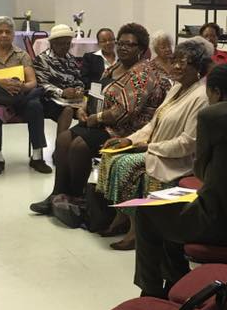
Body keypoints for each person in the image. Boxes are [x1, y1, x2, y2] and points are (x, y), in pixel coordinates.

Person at [133, 64, 227, 297]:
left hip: (217, 221)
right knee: (172, 217)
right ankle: (176, 280)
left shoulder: (211, 116)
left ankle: (151, 291)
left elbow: (199, 170)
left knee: (147, 213)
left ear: (216, 91)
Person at [30, 23, 168, 212]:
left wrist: (97, 118)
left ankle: (76, 198)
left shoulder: (143, 74)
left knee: (79, 146)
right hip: (102, 121)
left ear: (142, 49)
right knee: (63, 139)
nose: (123, 47)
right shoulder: (115, 66)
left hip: (127, 128)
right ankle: (57, 194)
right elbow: (97, 91)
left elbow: (125, 111)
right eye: (120, 43)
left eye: (130, 44)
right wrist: (84, 107)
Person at [92, 37, 212, 250]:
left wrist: (150, 147)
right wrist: (128, 139)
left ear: (197, 68)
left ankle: (135, 229)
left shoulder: (201, 97)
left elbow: (188, 143)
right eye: (174, 60)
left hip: (176, 158)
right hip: (156, 148)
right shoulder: (176, 88)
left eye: (183, 62)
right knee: (111, 154)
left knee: (125, 165)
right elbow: (152, 124)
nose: (176, 66)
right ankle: (121, 216)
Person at [0, 16, 51, 175]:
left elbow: (32, 82)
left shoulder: (22, 55)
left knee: (35, 106)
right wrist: (3, 83)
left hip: (21, 98)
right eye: (0, 31)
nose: (4, 35)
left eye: (8, 32)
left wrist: (20, 86)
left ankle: (37, 157)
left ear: (13, 34)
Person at [32, 24, 84, 134]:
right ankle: (60, 142)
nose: (65, 46)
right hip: (50, 99)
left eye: (68, 43)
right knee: (67, 110)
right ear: (52, 43)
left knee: (89, 108)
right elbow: (41, 84)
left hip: (72, 99)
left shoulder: (71, 58)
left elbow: (78, 79)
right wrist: (61, 92)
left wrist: (79, 90)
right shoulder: (42, 59)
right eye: (61, 43)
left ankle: (80, 140)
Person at [80, 27, 116, 92]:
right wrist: (103, 85)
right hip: (97, 93)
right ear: (98, 43)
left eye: (111, 40)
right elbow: (84, 79)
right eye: (104, 41)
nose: (108, 43)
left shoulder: (122, 58)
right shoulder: (90, 58)